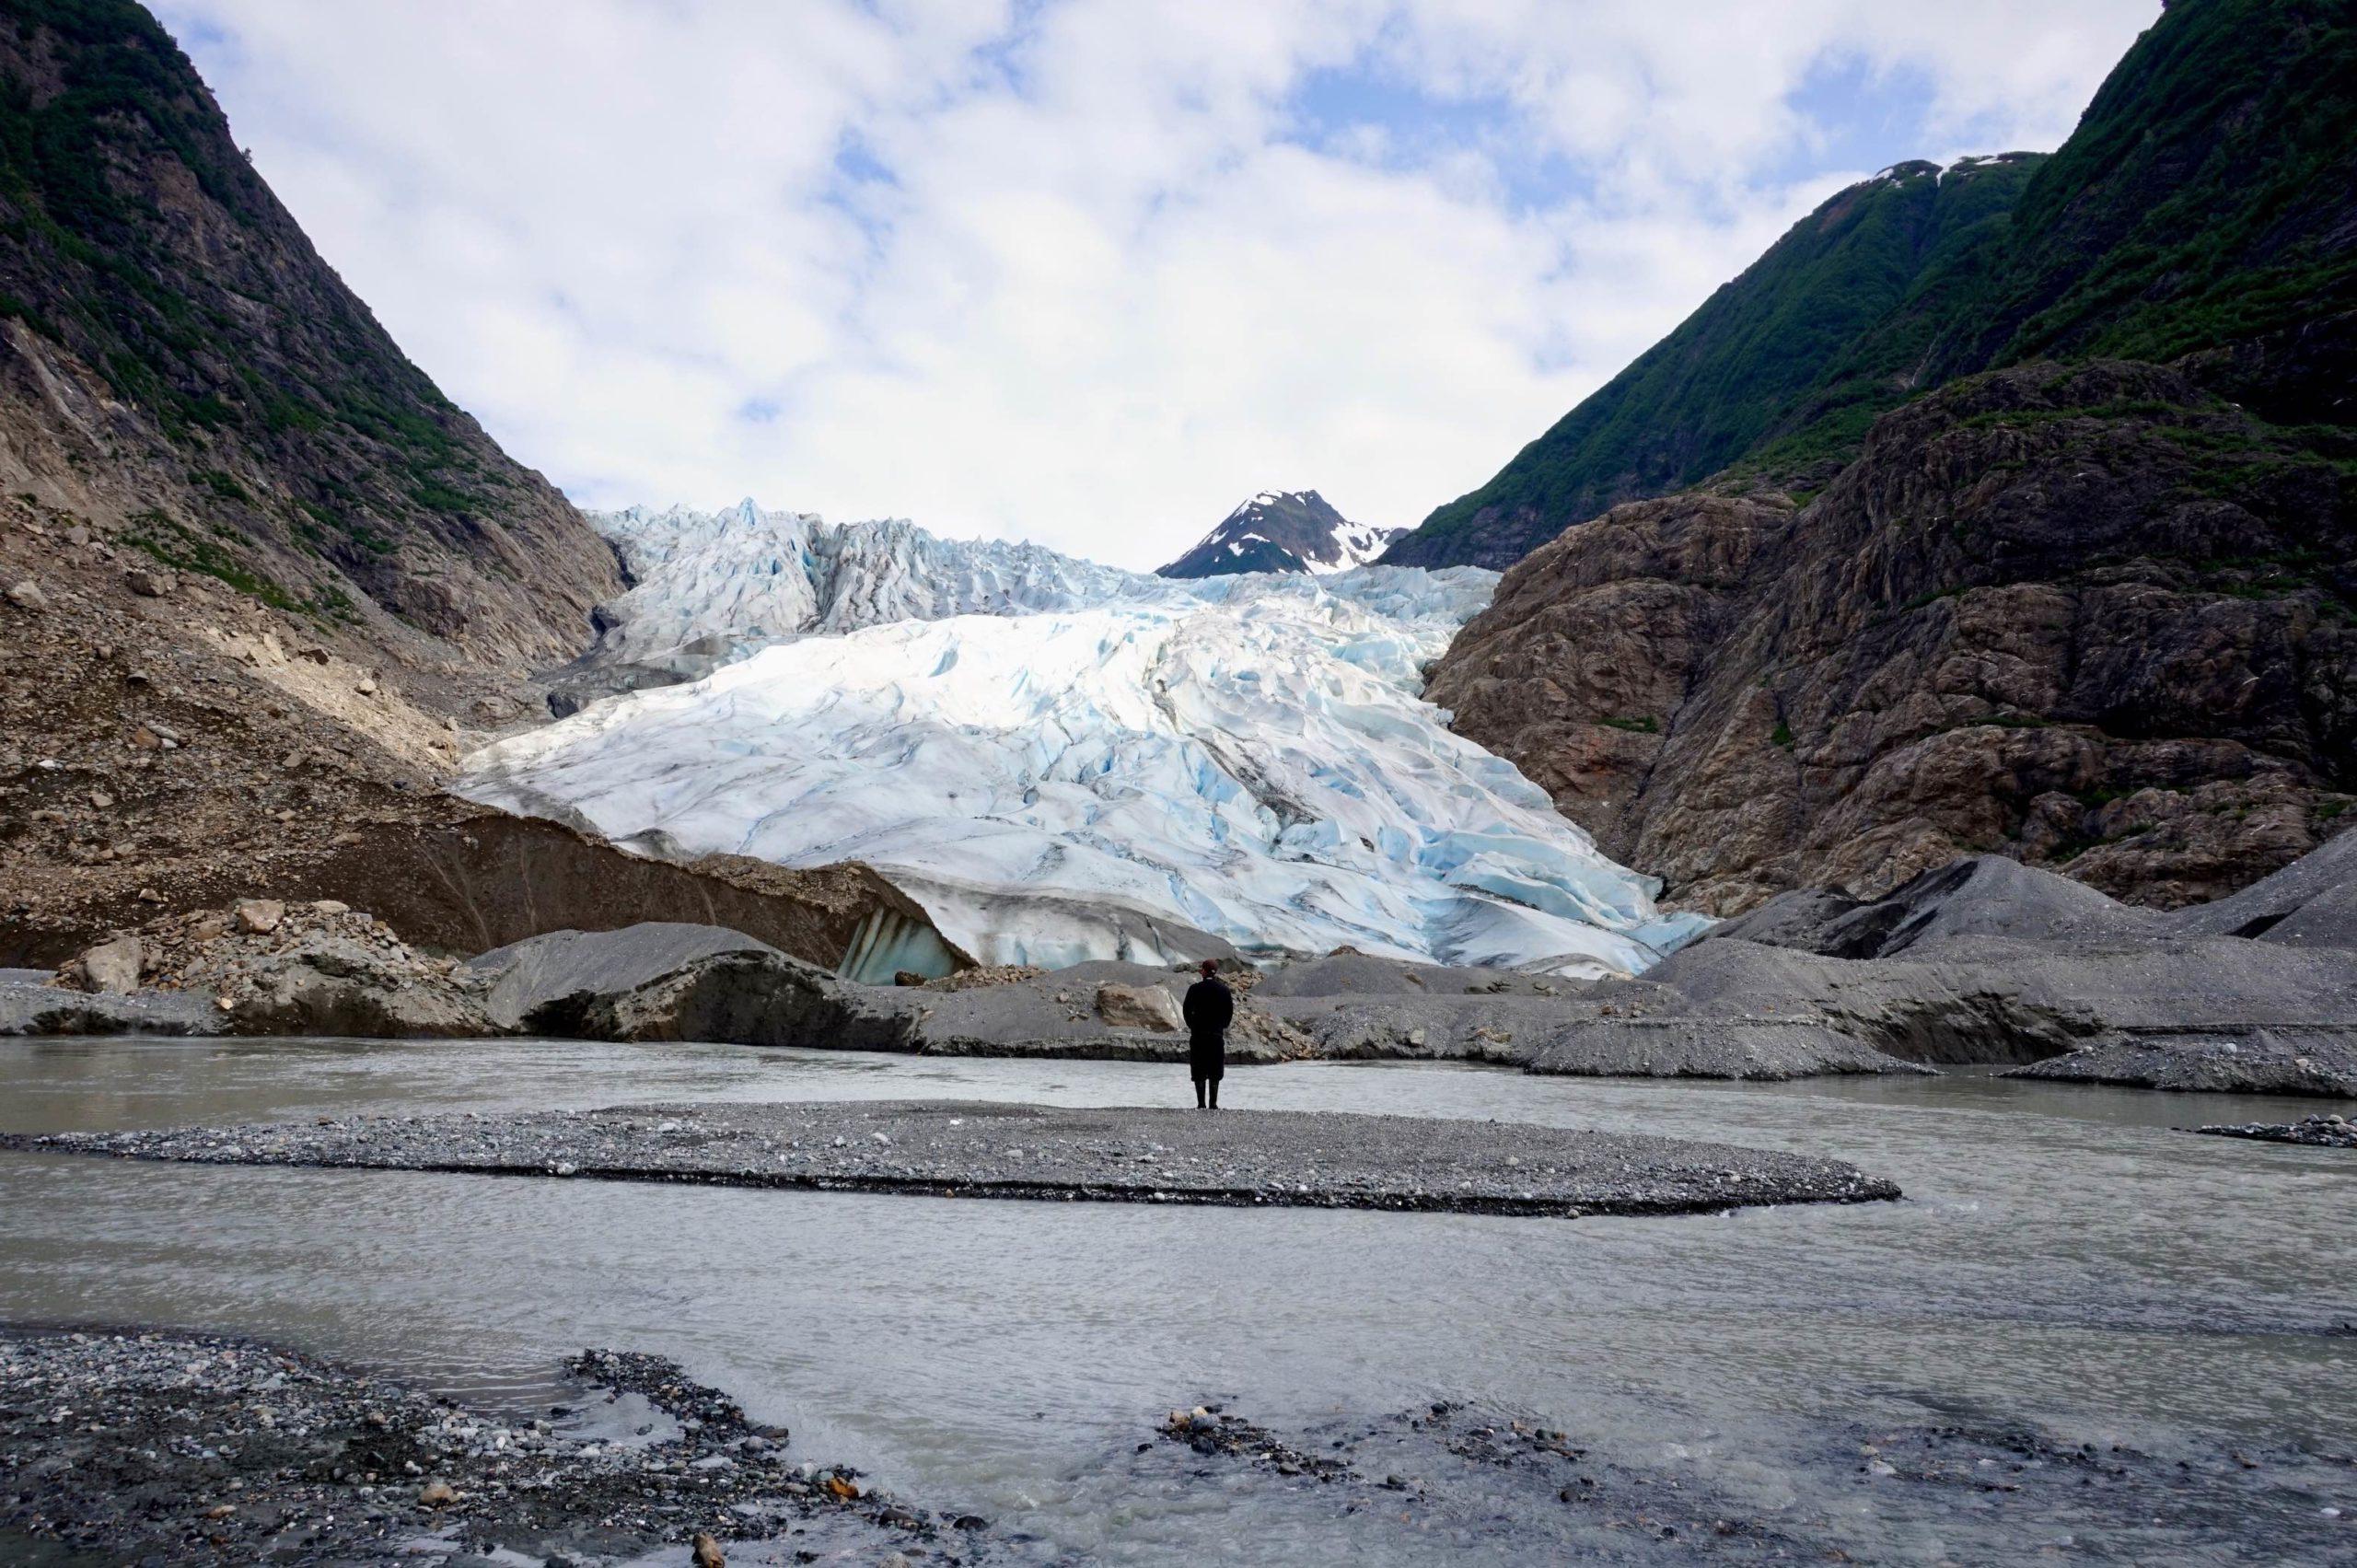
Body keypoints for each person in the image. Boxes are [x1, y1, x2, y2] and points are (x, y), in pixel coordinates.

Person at [1181, 958, 1233, 1109]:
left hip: (1198, 1035)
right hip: (1216, 1036)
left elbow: (1186, 1010)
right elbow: (1229, 1012)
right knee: (1215, 1070)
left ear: (1203, 971)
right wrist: (1222, 1026)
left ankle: (1201, 1104)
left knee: (1199, 1069)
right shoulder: (1224, 990)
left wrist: (1192, 1025)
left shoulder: (1194, 989)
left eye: (1201, 969)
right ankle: (1213, 1104)